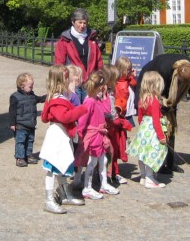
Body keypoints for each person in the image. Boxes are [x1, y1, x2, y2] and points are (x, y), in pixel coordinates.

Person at [135, 54, 190, 174]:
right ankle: (157, 163)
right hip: (153, 84)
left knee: (170, 127)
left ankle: (170, 163)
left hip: (168, 90)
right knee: (160, 130)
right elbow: (159, 90)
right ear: (179, 78)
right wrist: (163, 107)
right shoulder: (164, 70)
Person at [39, 65, 88, 214]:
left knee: (62, 165)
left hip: (62, 134)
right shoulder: (56, 99)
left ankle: (64, 194)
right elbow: (64, 116)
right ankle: (48, 199)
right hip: (57, 135)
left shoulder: (58, 97)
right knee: (52, 168)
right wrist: (81, 109)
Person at [74, 68, 118, 200]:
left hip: (100, 135)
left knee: (103, 160)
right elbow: (83, 119)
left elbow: (106, 110)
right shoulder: (89, 101)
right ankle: (87, 187)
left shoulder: (97, 99)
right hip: (93, 135)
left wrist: (104, 97)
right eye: (102, 87)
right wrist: (80, 134)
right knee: (91, 162)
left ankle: (104, 184)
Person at [127, 70, 168, 189]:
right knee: (151, 153)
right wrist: (161, 136)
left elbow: (140, 117)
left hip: (143, 128)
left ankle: (143, 176)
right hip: (152, 129)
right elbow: (156, 120)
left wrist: (142, 128)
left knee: (143, 153)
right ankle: (150, 177)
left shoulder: (142, 99)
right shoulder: (154, 101)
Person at [53, 8, 104, 84]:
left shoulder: (92, 39)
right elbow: (59, 63)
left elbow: (98, 60)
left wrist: (100, 76)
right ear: (73, 22)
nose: (82, 25)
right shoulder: (65, 40)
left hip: (90, 81)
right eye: (80, 22)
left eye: (85, 23)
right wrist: (60, 81)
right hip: (72, 81)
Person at [8, 72, 46, 167]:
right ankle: (20, 158)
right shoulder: (15, 97)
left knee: (30, 141)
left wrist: (48, 96)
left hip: (31, 124)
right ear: (22, 86)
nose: (32, 88)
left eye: (32, 86)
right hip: (20, 125)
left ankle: (28, 155)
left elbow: (40, 99)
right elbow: (12, 111)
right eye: (30, 87)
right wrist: (12, 123)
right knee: (20, 141)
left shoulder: (32, 95)